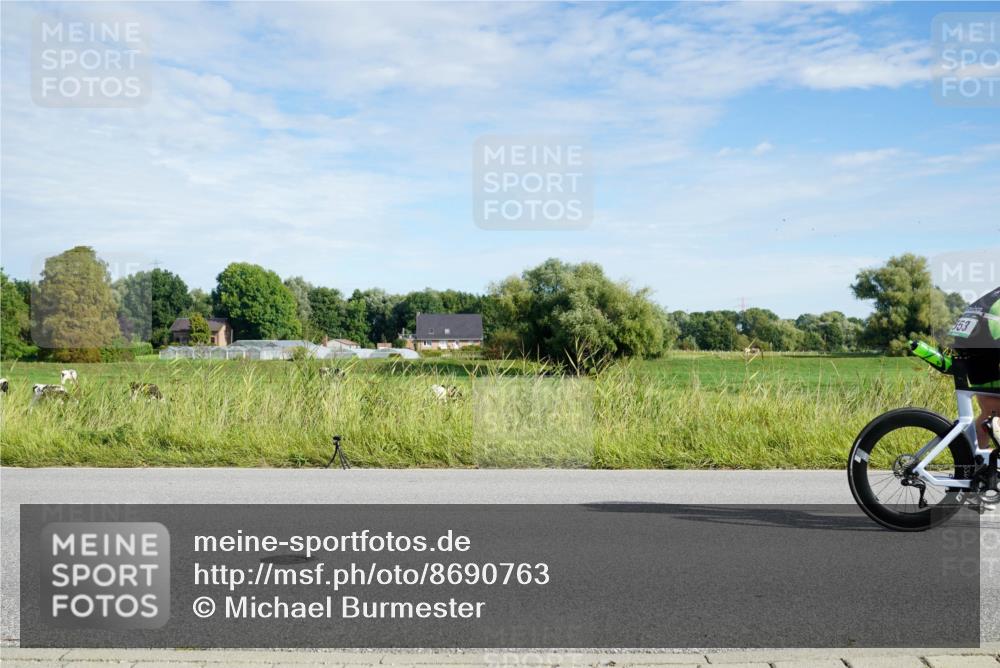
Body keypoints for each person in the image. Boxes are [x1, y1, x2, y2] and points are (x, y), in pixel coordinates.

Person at [950, 286, 1000, 448]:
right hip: (984, 343)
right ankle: (981, 463)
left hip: (970, 340)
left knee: (991, 412)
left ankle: (977, 462)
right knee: (994, 411)